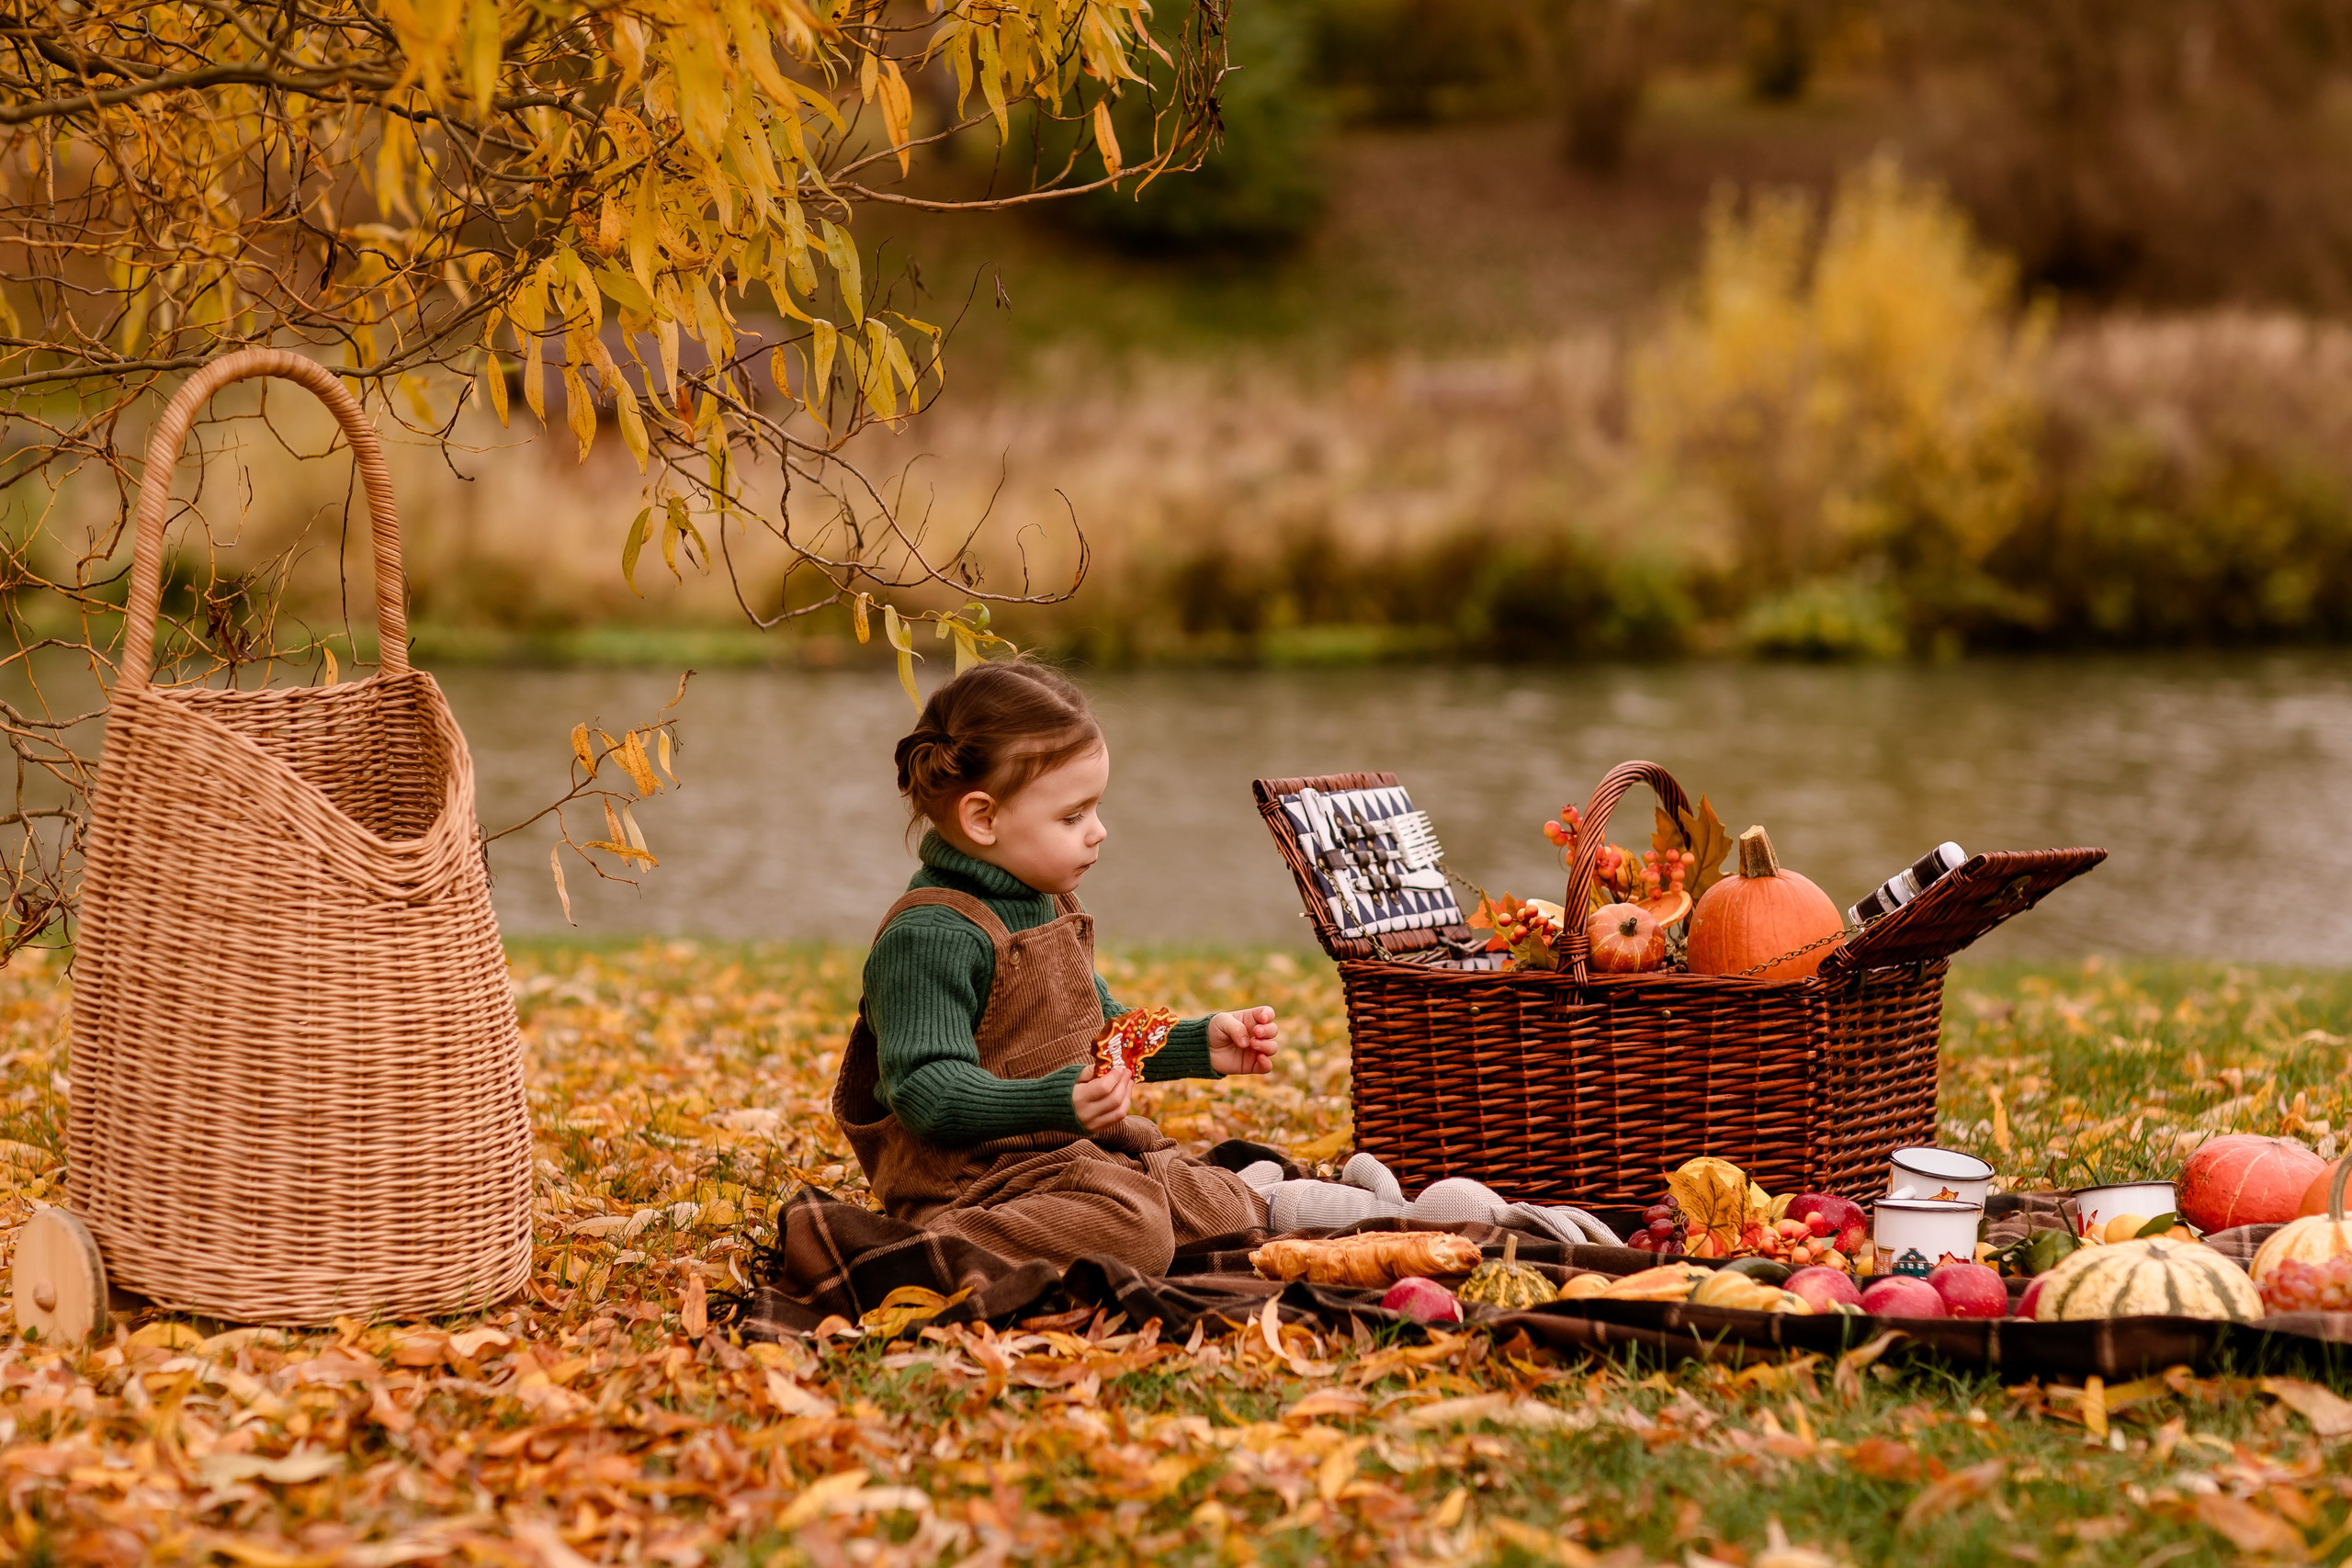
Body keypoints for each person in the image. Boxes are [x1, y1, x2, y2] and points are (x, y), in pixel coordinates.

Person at [832, 660, 1616, 1274]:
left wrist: (1200, 1043)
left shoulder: (1044, 902)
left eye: (1096, 807)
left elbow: (1104, 1030)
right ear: (982, 817)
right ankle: (925, 1250)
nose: (1098, 832)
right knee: (1137, 1227)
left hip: (1061, 1157)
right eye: (1073, 816)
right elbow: (927, 1091)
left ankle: (1366, 1211)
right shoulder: (932, 934)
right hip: (969, 1185)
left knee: (1202, 1193)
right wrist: (1057, 1099)